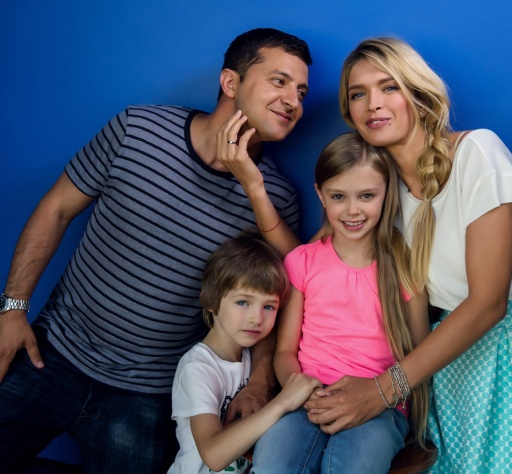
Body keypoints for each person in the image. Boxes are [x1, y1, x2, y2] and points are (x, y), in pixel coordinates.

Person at [303, 37, 512, 473]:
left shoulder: (478, 152)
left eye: (389, 87)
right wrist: (253, 186)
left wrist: (383, 390)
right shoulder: (378, 193)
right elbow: (310, 262)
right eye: (358, 94)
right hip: (446, 371)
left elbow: (489, 303)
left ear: (418, 95)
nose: (373, 104)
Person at [0, 27, 311, 473]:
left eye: (301, 92)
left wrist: (259, 383)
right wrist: (12, 311)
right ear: (230, 82)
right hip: (51, 354)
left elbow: (274, 299)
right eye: (279, 81)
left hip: (147, 396)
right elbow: (56, 210)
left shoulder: (275, 200)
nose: (293, 101)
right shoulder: (138, 129)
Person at [251, 132, 429, 473]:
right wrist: (300, 391)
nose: (352, 210)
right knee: (273, 460)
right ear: (320, 194)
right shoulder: (302, 262)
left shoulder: (406, 269)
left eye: (367, 196)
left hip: (380, 407)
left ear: (387, 194)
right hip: (305, 400)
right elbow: (285, 351)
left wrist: (387, 395)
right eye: (338, 196)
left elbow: (420, 357)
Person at [168, 230, 321, 474]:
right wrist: (283, 401)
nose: (256, 318)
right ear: (211, 300)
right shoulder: (198, 368)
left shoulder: (253, 360)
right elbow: (213, 455)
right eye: (243, 302)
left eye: (268, 306)